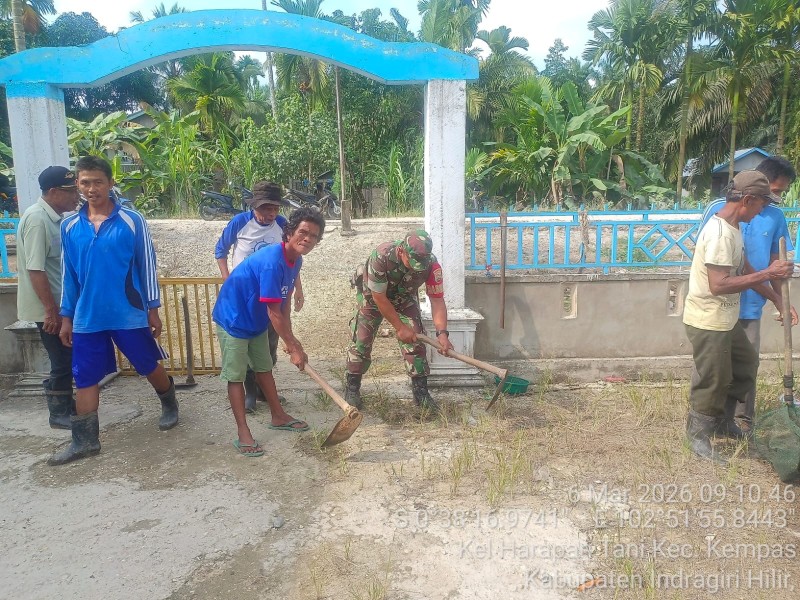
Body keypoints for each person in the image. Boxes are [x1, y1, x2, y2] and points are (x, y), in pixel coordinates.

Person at [48, 156, 178, 465]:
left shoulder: (133, 221)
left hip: (128, 311)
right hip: (87, 317)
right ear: (77, 185)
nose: (91, 189)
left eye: (97, 182)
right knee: (86, 376)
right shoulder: (69, 226)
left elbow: (147, 266)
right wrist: (67, 316)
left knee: (147, 364)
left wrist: (153, 309)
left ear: (110, 183)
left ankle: (169, 402)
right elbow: (70, 276)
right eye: (84, 183)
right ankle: (85, 441)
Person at [684, 170, 796, 464]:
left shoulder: (733, 229)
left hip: (726, 319)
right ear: (747, 200)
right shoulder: (720, 234)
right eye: (761, 204)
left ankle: (723, 421)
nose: (763, 210)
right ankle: (698, 436)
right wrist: (769, 273)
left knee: (746, 364)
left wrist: (776, 298)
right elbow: (718, 285)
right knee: (714, 379)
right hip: (708, 319)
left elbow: (746, 271)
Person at [212, 207, 324, 457]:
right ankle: (243, 431)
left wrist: (291, 340)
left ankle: (278, 416)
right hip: (234, 319)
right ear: (290, 232)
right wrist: (293, 346)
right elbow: (274, 313)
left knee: (264, 367)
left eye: (314, 236)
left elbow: (284, 302)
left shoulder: (296, 260)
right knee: (236, 376)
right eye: (303, 232)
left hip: (256, 320)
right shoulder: (273, 262)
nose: (307, 239)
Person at [214, 181, 303, 412]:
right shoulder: (240, 222)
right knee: (243, 346)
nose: (270, 214)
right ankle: (250, 392)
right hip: (244, 295)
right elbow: (220, 251)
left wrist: (297, 289)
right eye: (265, 209)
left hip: (272, 292)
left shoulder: (283, 225)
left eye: (275, 208)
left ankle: (264, 391)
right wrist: (228, 279)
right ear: (254, 206)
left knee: (269, 344)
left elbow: (290, 259)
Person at [345, 229, 454, 414]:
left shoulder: (431, 264)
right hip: (373, 296)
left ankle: (421, 394)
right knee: (362, 339)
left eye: (420, 264)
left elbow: (437, 300)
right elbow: (379, 297)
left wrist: (442, 334)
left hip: (404, 297)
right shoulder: (381, 256)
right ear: (402, 251)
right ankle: (352, 387)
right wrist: (399, 327)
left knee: (416, 340)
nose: (415, 267)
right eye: (412, 263)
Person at [16, 166, 80, 429]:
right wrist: (51, 311)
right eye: (71, 191)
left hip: (57, 304)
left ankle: (67, 405)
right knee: (61, 359)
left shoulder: (56, 219)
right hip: (48, 307)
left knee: (67, 356)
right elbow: (35, 269)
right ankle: (59, 413)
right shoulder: (37, 220)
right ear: (53, 192)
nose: (76, 195)